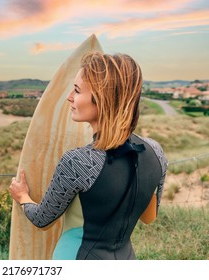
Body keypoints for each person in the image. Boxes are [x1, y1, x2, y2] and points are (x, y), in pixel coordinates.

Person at [9, 51, 168, 260]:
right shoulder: (155, 152)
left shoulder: (78, 162)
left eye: (77, 90)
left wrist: (22, 197)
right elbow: (149, 217)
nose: (69, 97)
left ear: (102, 99)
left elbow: (42, 220)